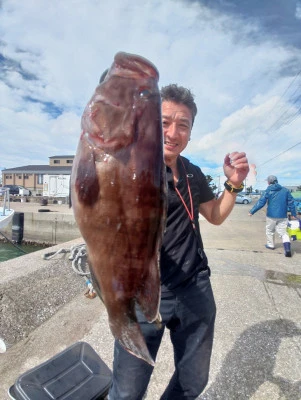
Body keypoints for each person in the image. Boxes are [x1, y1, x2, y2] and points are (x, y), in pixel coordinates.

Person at [108, 84, 249, 400]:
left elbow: (213, 215)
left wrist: (233, 184)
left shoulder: (192, 172)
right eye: (164, 122)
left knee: (192, 383)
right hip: (141, 295)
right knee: (127, 392)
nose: (173, 132)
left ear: (190, 133)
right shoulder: (131, 166)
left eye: (182, 125)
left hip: (194, 287)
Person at [248, 175, 296, 257]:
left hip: (271, 215)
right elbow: (291, 203)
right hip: (283, 215)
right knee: (284, 232)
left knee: (270, 230)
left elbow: (261, 202)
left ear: (269, 182)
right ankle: (287, 249)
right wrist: (293, 214)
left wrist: (252, 211)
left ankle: (271, 245)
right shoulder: (285, 190)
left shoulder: (268, 190)